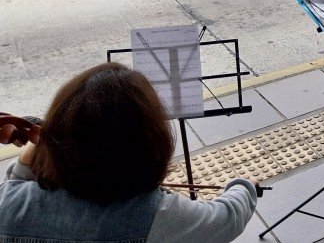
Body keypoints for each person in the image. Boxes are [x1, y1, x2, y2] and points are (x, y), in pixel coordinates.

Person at [0, 62, 259, 243]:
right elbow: (228, 218)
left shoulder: (6, 202)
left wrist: (44, 147)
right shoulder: (159, 217)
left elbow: (15, 189)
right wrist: (244, 187)